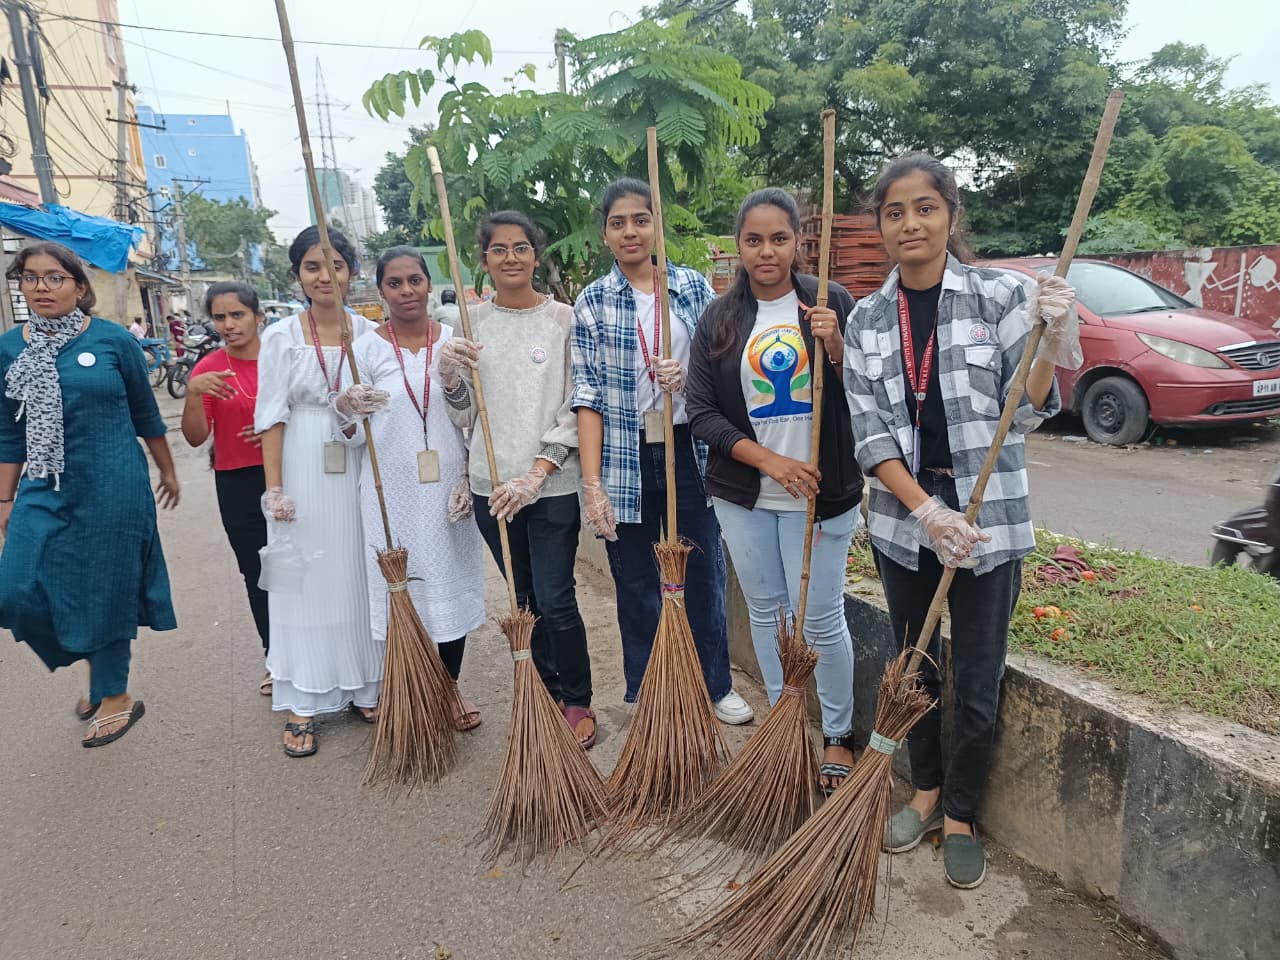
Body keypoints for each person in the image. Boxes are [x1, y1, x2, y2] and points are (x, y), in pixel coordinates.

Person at [844, 153, 1079, 888]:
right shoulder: (867, 320)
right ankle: (924, 789)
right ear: (881, 226)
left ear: (950, 214)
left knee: (978, 675)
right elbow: (870, 436)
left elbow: (1027, 408)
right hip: (904, 519)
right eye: (895, 212)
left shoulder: (1001, 296)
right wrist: (927, 511)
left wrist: (1049, 340)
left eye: (926, 208)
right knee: (913, 664)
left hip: (989, 519)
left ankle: (961, 814)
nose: (910, 224)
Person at [686, 187, 864, 792]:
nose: (767, 251)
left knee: (819, 619)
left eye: (779, 239)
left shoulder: (830, 302)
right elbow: (701, 412)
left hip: (822, 494)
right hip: (745, 494)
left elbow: (866, 391)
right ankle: (784, 726)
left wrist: (835, 346)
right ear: (739, 246)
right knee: (766, 612)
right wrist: (769, 461)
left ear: (798, 242)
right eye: (754, 240)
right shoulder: (719, 318)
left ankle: (837, 732)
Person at [572, 178, 753, 725]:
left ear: (657, 226)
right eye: (618, 223)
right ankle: (648, 689)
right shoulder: (593, 301)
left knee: (702, 570)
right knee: (635, 579)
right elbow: (587, 395)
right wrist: (592, 484)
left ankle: (715, 683)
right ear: (605, 234)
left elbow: (722, 368)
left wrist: (690, 378)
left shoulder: (691, 287)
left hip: (688, 448)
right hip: (625, 454)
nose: (631, 231)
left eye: (641, 219)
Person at [0, 242, 180, 747]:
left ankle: (113, 693)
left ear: (80, 287)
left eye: (54, 277)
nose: (41, 287)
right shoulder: (10, 349)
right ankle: (91, 655)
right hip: (44, 484)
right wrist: (5, 500)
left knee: (106, 586)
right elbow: (9, 432)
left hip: (113, 482)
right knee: (15, 589)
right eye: (30, 277)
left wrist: (168, 471)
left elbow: (146, 413)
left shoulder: (112, 340)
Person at [441, 211, 597, 747]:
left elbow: (577, 402)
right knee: (524, 600)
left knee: (556, 598)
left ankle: (577, 697)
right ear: (483, 260)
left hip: (551, 484)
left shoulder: (563, 320)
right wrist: (450, 376)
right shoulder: (470, 323)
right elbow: (464, 414)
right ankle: (544, 693)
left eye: (521, 247)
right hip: (492, 486)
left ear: (536, 255)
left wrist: (538, 471)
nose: (511, 257)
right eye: (499, 249)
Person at [345, 246, 486, 730]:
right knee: (400, 589)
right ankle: (409, 689)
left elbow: (472, 416)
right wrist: (346, 407)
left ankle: (449, 686)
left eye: (415, 280)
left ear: (429, 284)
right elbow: (347, 432)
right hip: (389, 489)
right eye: (395, 283)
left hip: (447, 486)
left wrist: (467, 472)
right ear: (381, 290)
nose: (407, 291)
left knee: (447, 584)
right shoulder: (363, 349)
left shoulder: (453, 341)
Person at [254, 226, 381, 758]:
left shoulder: (368, 334)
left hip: (355, 460)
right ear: (298, 275)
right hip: (303, 461)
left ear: (351, 272)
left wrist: (355, 410)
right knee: (303, 579)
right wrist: (275, 489)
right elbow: (271, 415)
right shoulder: (281, 335)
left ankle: (365, 684)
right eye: (312, 266)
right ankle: (304, 697)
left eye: (335, 264)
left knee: (356, 573)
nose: (324, 276)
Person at [180, 281, 271, 694]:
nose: (229, 325)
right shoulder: (209, 369)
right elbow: (196, 438)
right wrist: (193, 394)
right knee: (257, 573)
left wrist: (275, 429)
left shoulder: (281, 359)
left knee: (304, 568)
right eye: (220, 317)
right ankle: (276, 656)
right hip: (237, 481)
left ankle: (312, 655)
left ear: (258, 317)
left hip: (290, 475)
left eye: (238, 315)